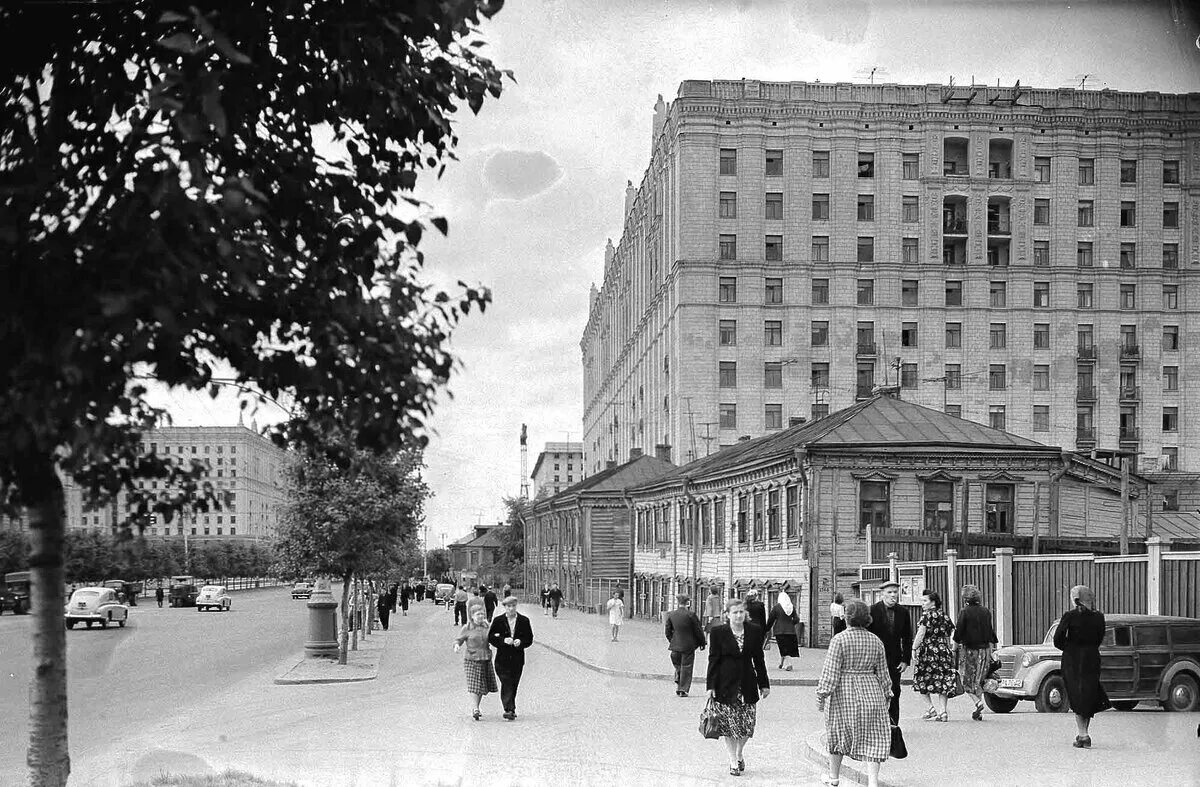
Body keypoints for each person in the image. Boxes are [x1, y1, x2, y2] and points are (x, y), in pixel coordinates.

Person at [816, 599, 892, 787]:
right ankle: (873, 782)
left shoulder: (839, 640)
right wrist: (887, 694)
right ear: (867, 619)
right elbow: (883, 672)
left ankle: (833, 778)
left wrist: (822, 696)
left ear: (847, 618)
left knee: (838, 734)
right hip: (871, 690)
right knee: (874, 737)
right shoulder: (876, 641)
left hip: (844, 692)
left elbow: (830, 672)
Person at [706, 597, 770, 777]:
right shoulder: (718, 632)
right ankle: (733, 761)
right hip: (725, 684)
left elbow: (759, 659)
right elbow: (713, 660)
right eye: (735, 612)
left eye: (741, 612)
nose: (739, 615)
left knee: (747, 727)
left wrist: (764, 684)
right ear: (727, 614)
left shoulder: (754, 631)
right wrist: (710, 685)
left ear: (745, 613)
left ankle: (740, 752)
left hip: (748, 683)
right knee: (729, 727)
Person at [1053, 585, 1108, 748]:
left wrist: (1070, 648)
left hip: (1073, 659)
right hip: (1092, 658)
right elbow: (1100, 637)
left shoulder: (1069, 616)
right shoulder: (1099, 617)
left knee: (1076, 694)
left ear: (1076, 599)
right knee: (1088, 693)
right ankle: (1083, 733)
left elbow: (1057, 639)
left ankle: (1083, 734)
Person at [866, 580, 913, 725]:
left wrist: (906, 660)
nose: (893, 595)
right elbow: (867, 635)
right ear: (882, 594)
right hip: (875, 658)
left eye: (895, 592)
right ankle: (875, 723)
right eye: (889, 592)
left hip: (895, 659)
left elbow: (907, 637)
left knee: (895, 690)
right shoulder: (872, 610)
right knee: (875, 691)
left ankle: (893, 723)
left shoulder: (903, 612)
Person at [953, 583, 999, 722]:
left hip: (970, 652)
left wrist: (954, 649)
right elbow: (991, 633)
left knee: (966, 680)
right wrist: (991, 651)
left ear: (965, 598)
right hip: (984, 651)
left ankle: (978, 703)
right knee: (979, 680)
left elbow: (958, 632)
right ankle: (978, 711)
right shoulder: (986, 611)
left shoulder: (964, 612)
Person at [912, 590, 956, 722]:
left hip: (928, 651)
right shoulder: (945, 616)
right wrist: (952, 647)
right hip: (943, 651)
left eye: (925, 601)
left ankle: (930, 708)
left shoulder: (926, 616)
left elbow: (921, 633)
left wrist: (914, 648)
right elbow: (953, 631)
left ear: (933, 602)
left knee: (922, 678)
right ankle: (943, 711)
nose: (922, 604)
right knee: (943, 680)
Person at [488, 596, 534, 720]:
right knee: (506, 681)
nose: (511, 608)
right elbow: (491, 637)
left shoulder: (524, 621)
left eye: (513, 606)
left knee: (513, 683)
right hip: (502, 659)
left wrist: (521, 642)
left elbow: (529, 638)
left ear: (516, 606)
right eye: (508, 606)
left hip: (517, 658)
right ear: (505, 607)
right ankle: (509, 709)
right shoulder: (498, 620)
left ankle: (510, 708)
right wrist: (503, 640)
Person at [455, 606, 499, 720]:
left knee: (481, 685)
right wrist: (456, 645)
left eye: (482, 614)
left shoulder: (487, 627)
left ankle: (476, 707)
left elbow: (494, 638)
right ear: (472, 616)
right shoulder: (467, 628)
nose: (480, 616)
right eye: (478, 614)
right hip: (471, 659)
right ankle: (475, 708)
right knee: (474, 683)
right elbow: (459, 639)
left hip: (485, 658)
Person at [665, 595, 705, 696]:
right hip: (688, 645)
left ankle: (679, 679)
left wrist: (673, 640)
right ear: (688, 602)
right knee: (686, 667)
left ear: (678, 602)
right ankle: (682, 689)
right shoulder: (691, 615)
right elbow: (698, 630)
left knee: (678, 665)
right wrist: (702, 642)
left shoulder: (671, 615)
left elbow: (667, 631)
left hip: (675, 646)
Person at [765, 591, 800, 671]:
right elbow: (796, 619)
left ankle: (789, 664)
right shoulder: (791, 607)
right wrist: (791, 624)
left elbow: (771, 619)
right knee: (786, 647)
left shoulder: (777, 607)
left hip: (779, 630)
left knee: (783, 648)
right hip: (791, 631)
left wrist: (767, 629)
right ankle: (781, 663)